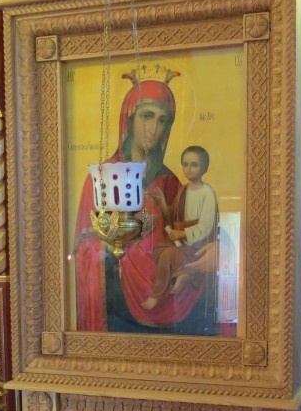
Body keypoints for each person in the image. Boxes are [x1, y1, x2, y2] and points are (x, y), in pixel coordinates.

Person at [73, 73, 216, 333]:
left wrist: (217, 247)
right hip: (117, 305)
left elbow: (189, 235)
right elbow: (83, 248)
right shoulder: (102, 177)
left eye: (163, 120)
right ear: (129, 119)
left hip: (171, 298)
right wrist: (108, 245)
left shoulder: (170, 182)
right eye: (146, 116)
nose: (153, 129)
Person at [141, 146, 218, 309]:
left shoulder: (207, 192)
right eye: (185, 164)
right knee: (157, 249)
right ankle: (183, 273)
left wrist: (182, 234)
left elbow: (206, 226)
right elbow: (174, 214)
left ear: (204, 167)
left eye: (194, 165)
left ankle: (156, 295)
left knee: (167, 255)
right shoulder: (183, 190)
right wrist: (163, 204)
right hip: (181, 243)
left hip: (196, 246)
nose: (188, 169)